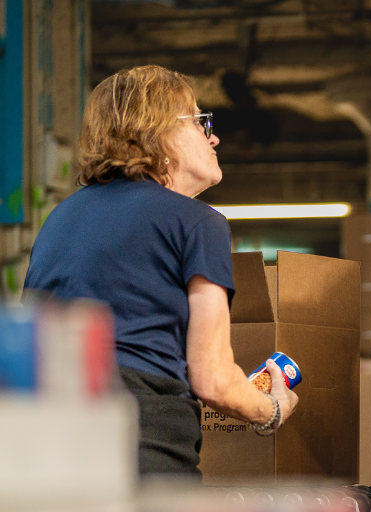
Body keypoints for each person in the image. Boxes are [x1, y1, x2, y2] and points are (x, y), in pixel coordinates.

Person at [23, 65, 299, 476]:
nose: (213, 138)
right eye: (200, 123)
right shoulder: (198, 222)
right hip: (141, 442)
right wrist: (271, 409)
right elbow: (213, 380)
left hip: (42, 441)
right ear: (161, 132)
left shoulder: (59, 220)